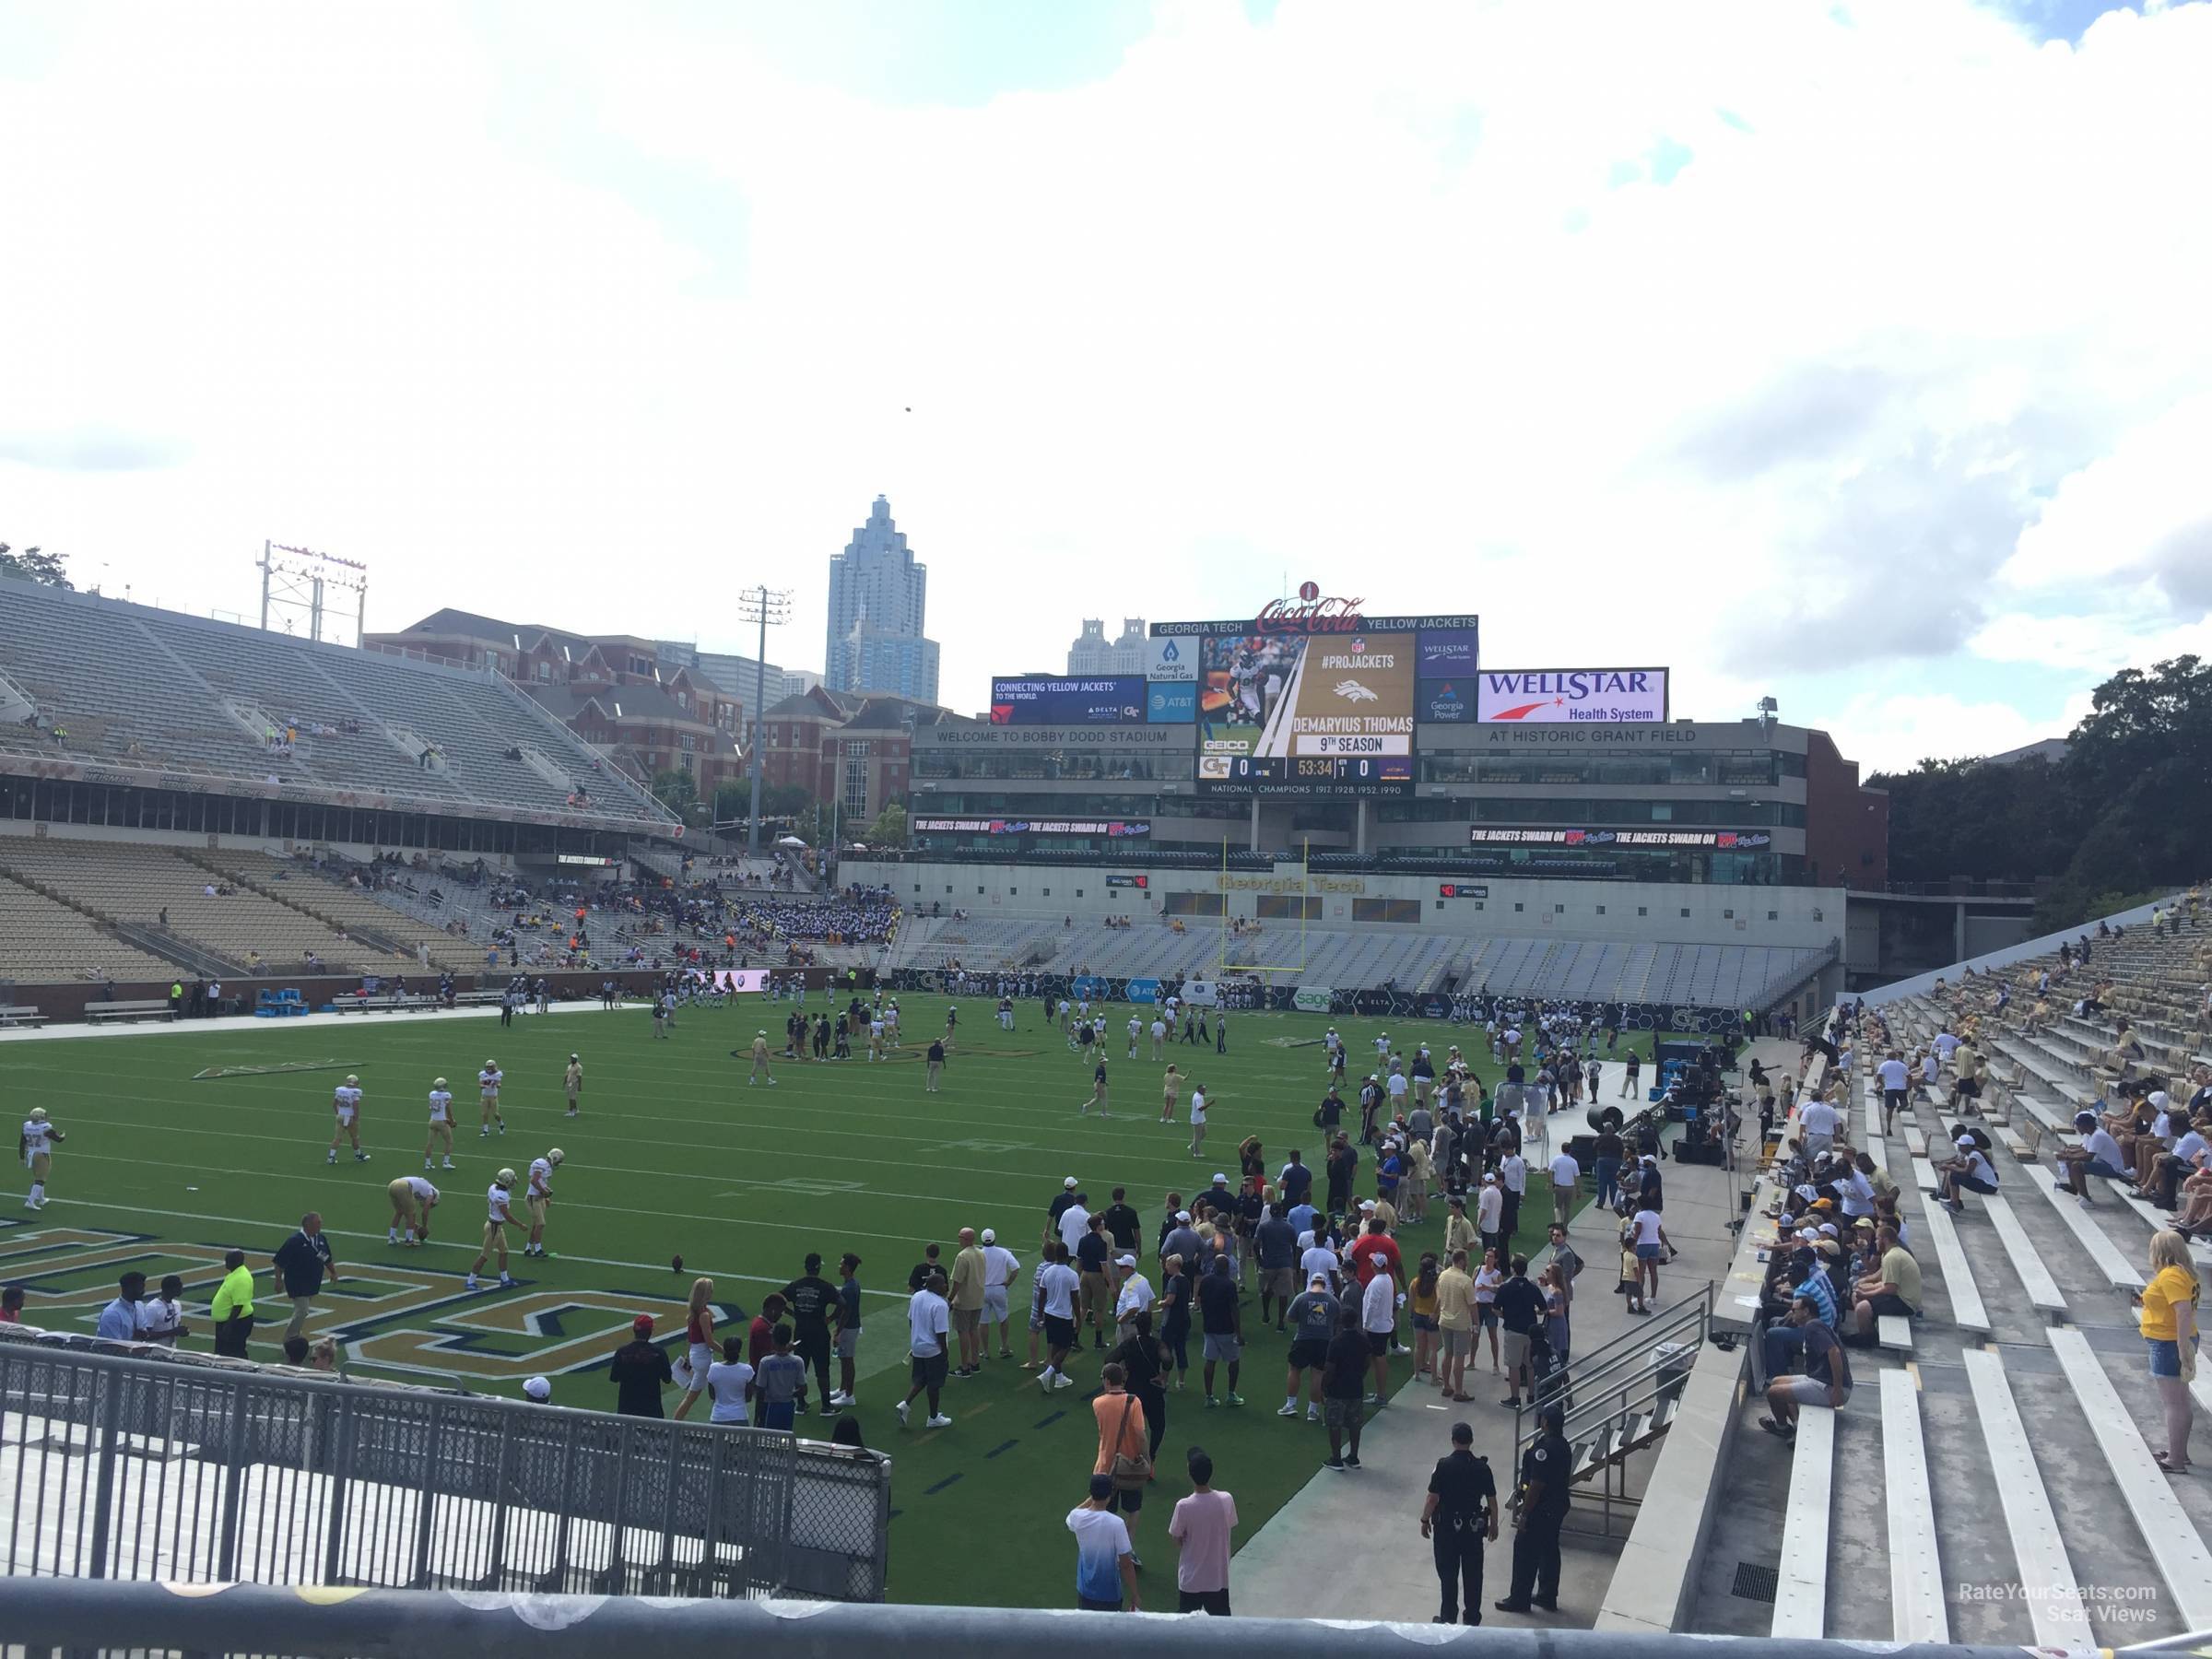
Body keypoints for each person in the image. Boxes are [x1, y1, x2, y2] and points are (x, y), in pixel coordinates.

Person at [1496, 1402, 1571, 1614]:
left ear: (1545, 1422)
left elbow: (1537, 1484)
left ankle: (1519, 1599)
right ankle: (1548, 1595)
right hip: (1557, 1506)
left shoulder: (1544, 1450)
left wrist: (1525, 1514)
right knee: (1549, 1549)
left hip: (1541, 1509)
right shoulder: (1562, 1444)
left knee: (1525, 1551)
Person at [1422, 1419, 1499, 1625]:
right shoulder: (1482, 1467)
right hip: (1473, 1529)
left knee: (1448, 1574)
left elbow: (1432, 1498)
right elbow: (1492, 1500)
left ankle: (1448, 1617)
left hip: (1447, 1527)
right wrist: (1494, 1524)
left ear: (1453, 1440)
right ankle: (1472, 1617)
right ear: (1471, 1441)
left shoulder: (1443, 1465)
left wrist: (1425, 1519)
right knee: (1473, 1573)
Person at [2137, 1230, 2201, 1472]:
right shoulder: (2185, 1273)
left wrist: (2181, 1345)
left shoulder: (2171, 1275)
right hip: (2176, 1340)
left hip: (2169, 1343)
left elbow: (2182, 1311)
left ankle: (2175, 1460)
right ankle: (2179, 1452)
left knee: (2175, 1403)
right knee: (2180, 1401)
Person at [1759, 1294, 1853, 1437]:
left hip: (1829, 1387)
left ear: (1806, 1312)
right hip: (1818, 1379)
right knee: (1777, 1381)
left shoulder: (1813, 1326)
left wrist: (1838, 1389)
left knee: (1773, 1393)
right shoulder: (1813, 1326)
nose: (1791, 1313)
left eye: (1794, 1310)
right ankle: (1797, 1425)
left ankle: (1782, 1427)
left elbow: (1834, 1352)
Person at [1091, 1361, 1152, 1559]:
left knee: (1106, 1512)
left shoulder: (1098, 1404)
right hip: (1130, 1466)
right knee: (1133, 1509)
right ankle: (1127, 1548)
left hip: (1106, 1466)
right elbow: (1140, 1435)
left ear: (1107, 1381)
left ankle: (1108, 1550)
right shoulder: (1134, 1402)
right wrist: (1146, 1459)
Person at [1169, 1448, 1238, 1615]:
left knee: (1185, 1629)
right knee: (1222, 1629)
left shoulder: (1183, 1506)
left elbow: (1176, 1539)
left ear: (1189, 1474)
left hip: (1191, 1580)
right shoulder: (1226, 1499)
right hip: (1217, 1578)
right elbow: (1230, 1524)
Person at [1067, 1472, 1141, 1612]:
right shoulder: (1117, 1524)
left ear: (1090, 1492)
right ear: (1111, 1494)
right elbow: (1126, 1564)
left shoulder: (1077, 1517)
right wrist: (1135, 1594)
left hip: (1085, 1591)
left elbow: (1074, 1513)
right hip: (1110, 1594)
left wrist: (1092, 1496)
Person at [782, 1253, 841, 1412]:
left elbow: (777, 1299)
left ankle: (801, 1404)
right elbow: (842, 1303)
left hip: (801, 1332)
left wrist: (793, 1313)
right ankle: (826, 1406)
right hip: (819, 1333)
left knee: (801, 1369)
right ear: (818, 1268)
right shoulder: (825, 1286)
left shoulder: (796, 1285)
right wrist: (830, 1318)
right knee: (822, 1371)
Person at [899, 1268, 954, 1430]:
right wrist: (945, 1353)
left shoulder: (917, 1296)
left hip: (917, 1347)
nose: (946, 1286)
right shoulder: (940, 1304)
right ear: (936, 1286)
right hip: (933, 1350)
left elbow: (911, 1320)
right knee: (934, 1384)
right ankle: (933, 1417)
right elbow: (941, 1333)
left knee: (921, 1379)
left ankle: (905, 1404)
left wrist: (917, 1336)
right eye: (944, 1283)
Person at [1281, 1270, 1340, 1421]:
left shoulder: (1301, 1298)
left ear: (1311, 1283)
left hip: (1302, 1339)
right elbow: (1338, 1320)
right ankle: (1312, 1411)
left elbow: (1290, 1318)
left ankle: (1290, 1405)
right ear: (1324, 1284)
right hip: (1324, 1342)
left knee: (1294, 1370)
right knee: (1317, 1374)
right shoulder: (1333, 1301)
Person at [272, 1213, 338, 1341]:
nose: (320, 1225)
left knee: (302, 1311)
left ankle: (295, 1333)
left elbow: (325, 1257)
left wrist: (333, 1272)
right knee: (302, 1310)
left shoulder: (320, 1239)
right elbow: (279, 1262)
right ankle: (290, 1338)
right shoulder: (295, 1241)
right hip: (296, 1281)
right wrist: (278, 1280)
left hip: (312, 1282)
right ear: (308, 1225)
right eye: (317, 1223)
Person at [1321, 1303, 1371, 1470]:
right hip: (1356, 1388)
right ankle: (1353, 1456)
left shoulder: (1336, 1342)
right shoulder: (1363, 1339)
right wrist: (1359, 1377)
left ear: (1341, 1322)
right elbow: (1366, 1363)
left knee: (1334, 1424)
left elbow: (1329, 1369)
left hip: (1337, 1390)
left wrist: (1324, 1387)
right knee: (1355, 1424)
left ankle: (1336, 1459)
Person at [1198, 1252, 1243, 1406]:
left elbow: (1200, 1300)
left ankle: (1209, 1396)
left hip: (1209, 1326)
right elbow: (1234, 1309)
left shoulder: (1205, 1281)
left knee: (1210, 1360)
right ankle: (1231, 1394)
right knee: (1234, 1361)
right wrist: (1239, 1332)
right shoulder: (1229, 1284)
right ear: (1227, 1268)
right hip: (1226, 1329)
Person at [670, 1276, 719, 1420]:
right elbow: (709, 1341)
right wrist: (727, 1351)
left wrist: (688, 1356)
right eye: (710, 1290)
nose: (712, 1293)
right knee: (692, 1397)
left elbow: (690, 1338)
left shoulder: (694, 1313)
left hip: (696, 1355)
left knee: (716, 1387)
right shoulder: (703, 1315)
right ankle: (675, 1423)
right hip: (703, 1358)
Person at [609, 1313, 675, 1417]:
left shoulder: (622, 1352)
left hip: (626, 1410)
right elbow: (667, 1378)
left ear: (634, 1330)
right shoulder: (658, 1353)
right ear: (650, 1331)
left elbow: (614, 1378)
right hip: (651, 1411)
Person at [465, 1169, 520, 1292]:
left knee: (504, 1251)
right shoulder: (502, 1195)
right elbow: (507, 1215)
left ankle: (504, 1279)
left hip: (495, 1225)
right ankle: (470, 1281)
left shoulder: (493, 1187)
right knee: (484, 1256)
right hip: (494, 1227)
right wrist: (519, 1225)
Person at [754, 1324, 809, 1430]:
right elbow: (803, 1390)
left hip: (770, 1406)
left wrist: (757, 1416)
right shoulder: (797, 1361)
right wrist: (788, 1394)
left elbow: (760, 1391)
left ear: (773, 1340)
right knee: (785, 1438)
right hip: (788, 1405)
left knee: (768, 1440)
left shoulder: (766, 1362)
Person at [830, 1252, 865, 1407]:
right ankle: (843, 1389)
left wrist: (838, 1331)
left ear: (848, 1267)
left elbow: (846, 1312)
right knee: (844, 1359)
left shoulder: (848, 1288)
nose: (839, 1266)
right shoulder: (852, 1284)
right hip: (851, 1327)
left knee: (847, 1360)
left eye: (841, 1264)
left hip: (848, 1328)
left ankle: (849, 1394)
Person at [210, 1248, 255, 1357]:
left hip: (236, 1323)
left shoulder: (241, 1278)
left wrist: (228, 1326)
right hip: (232, 1322)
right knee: (224, 1353)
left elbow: (238, 1305)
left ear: (238, 1261)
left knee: (234, 1354)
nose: (226, 1262)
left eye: (228, 1260)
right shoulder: (236, 1273)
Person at [523, 1148, 564, 1259]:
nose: (558, 1164)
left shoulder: (547, 1166)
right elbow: (534, 1180)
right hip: (533, 1197)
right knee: (540, 1224)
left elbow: (542, 1182)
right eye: (558, 1161)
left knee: (537, 1224)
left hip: (540, 1198)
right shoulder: (541, 1163)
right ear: (554, 1158)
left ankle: (528, 1249)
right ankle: (538, 1249)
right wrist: (545, 1192)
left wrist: (545, 1196)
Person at [19, 1106, 64, 1210]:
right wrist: (63, 1135)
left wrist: (21, 1157)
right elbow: (59, 1139)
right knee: (41, 1179)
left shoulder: (26, 1126)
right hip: (42, 1154)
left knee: (38, 1177)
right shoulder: (45, 1127)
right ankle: (30, 1201)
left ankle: (42, 1199)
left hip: (31, 1153)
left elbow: (22, 1142)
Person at [704, 1335, 755, 1425]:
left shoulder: (714, 1368)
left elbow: (712, 1396)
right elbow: (748, 1398)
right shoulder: (747, 1370)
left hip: (718, 1417)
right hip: (740, 1416)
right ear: (739, 1351)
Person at [386, 1173, 439, 1246]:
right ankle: (409, 1240)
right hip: (403, 1186)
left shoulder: (423, 1188)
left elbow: (406, 1211)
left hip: (392, 1184)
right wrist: (424, 1227)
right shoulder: (432, 1192)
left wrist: (414, 1225)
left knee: (399, 1212)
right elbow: (424, 1212)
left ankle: (392, 1238)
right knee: (412, 1214)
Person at [327, 1075, 369, 1165]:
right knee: (355, 1137)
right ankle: (358, 1156)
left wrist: (338, 1113)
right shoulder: (355, 1092)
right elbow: (355, 1106)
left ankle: (331, 1157)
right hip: (349, 1117)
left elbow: (334, 1104)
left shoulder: (340, 1090)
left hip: (340, 1116)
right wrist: (355, 1118)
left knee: (337, 1138)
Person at [95, 1271, 147, 1342]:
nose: (143, 1291)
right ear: (129, 1288)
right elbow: (113, 1346)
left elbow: (143, 1332)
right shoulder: (111, 1314)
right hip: (109, 1352)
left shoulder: (139, 1306)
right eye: (140, 1288)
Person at [423, 1077, 455, 1171]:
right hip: (442, 1121)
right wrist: (452, 1120)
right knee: (449, 1142)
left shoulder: (431, 1094)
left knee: (430, 1143)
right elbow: (448, 1109)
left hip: (432, 1121)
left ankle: (427, 1163)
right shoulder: (446, 1095)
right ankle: (446, 1162)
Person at [564, 1053, 583, 1118]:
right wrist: (564, 1082)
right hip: (569, 1083)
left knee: (571, 1098)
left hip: (574, 1083)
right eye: (571, 1058)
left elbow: (579, 1077)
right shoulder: (569, 1066)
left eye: (573, 1058)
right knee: (571, 1097)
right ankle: (575, 1109)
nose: (572, 1059)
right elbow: (567, 1074)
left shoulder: (579, 1067)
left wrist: (580, 1086)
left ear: (576, 1059)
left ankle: (571, 1111)